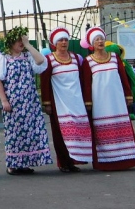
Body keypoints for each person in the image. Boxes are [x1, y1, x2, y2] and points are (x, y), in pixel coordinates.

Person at [0, 26, 53, 175]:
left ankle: (25, 162)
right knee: (15, 133)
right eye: (18, 40)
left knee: (30, 132)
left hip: (29, 101)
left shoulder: (28, 56)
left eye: (22, 40)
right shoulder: (3, 58)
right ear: (10, 42)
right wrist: (4, 101)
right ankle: (13, 164)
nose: (21, 42)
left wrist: (28, 45)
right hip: (14, 102)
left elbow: (41, 62)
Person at [81, 26, 135, 171]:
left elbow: (123, 78)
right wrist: (88, 102)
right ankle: (106, 161)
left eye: (101, 38)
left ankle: (126, 159)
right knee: (102, 129)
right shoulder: (88, 61)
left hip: (117, 99)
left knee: (120, 124)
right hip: (100, 101)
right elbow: (87, 84)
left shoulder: (114, 57)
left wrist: (128, 95)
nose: (100, 41)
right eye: (96, 39)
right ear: (92, 44)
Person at [40, 27, 93, 172]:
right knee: (61, 133)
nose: (64, 43)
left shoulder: (75, 58)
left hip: (76, 101)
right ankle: (63, 162)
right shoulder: (49, 60)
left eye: (65, 40)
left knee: (77, 131)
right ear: (54, 44)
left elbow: (82, 80)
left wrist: (86, 99)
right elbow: (44, 82)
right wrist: (47, 103)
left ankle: (75, 160)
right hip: (59, 102)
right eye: (60, 40)